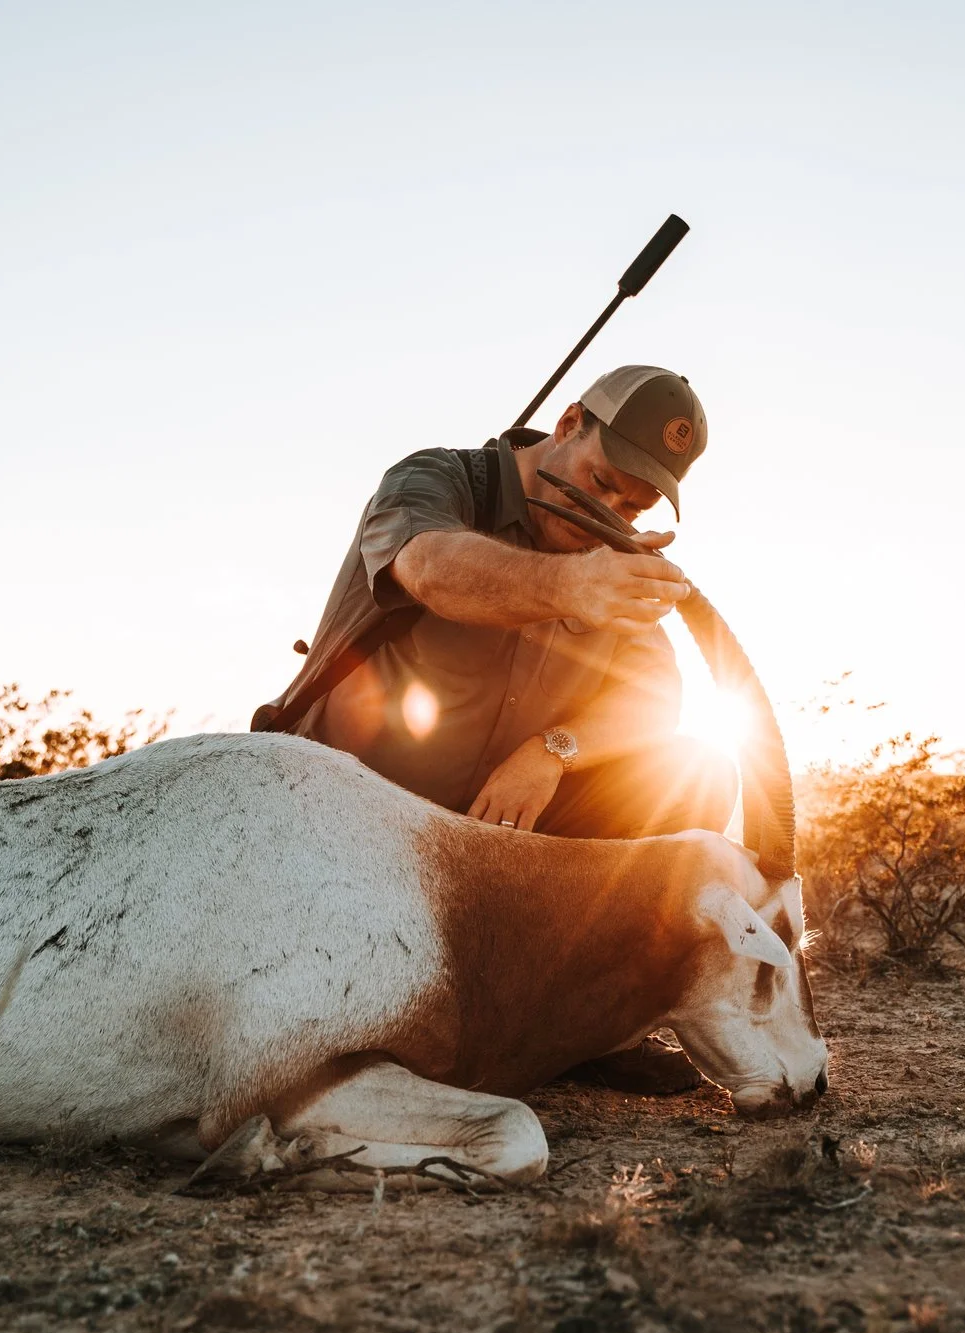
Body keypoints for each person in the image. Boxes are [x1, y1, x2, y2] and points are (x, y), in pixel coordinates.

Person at [254, 365, 733, 1091]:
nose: (605, 512)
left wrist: (553, 751)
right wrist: (574, 587)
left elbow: (653, 695)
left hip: (488, 833)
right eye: (602, 483)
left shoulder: (612, 551)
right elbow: (429, 567)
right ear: (570, 422)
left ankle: (583, 1028)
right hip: (339, 822)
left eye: (631, 507)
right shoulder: (433, 481)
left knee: (695, 769)